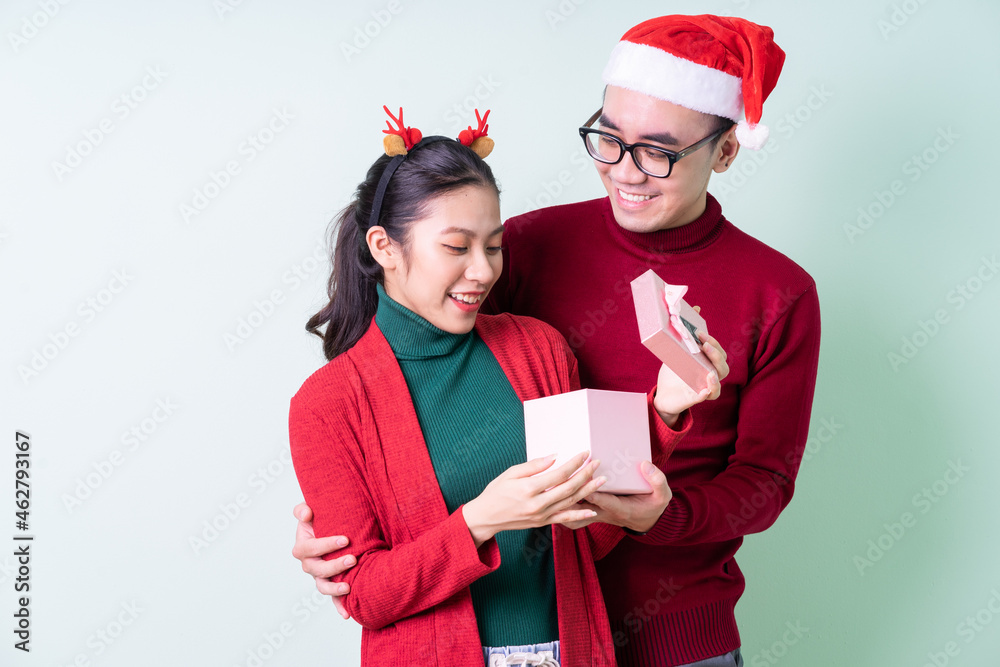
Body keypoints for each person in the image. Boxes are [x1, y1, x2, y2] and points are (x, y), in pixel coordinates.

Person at [293, 15, 822, 667]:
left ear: (726, 150)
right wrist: (340, 528)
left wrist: (661, 495)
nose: (626, 170)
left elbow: (762, 480)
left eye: (658, 151)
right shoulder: (523, 246)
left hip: (673, 631)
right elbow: (418, 396)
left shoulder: (780, 291)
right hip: (517, 625)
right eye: (608, 138)